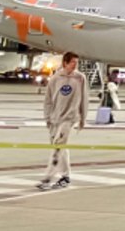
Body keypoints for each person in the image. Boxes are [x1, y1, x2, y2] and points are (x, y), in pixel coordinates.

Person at [37, 52, 88, 191]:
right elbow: (48, 100)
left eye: (76, 62)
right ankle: (65, 176)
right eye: (72, 62)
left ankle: (48, 177)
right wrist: (47, 117)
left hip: (69, 118)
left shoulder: (80, 78)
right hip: (55, 118)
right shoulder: (56, 78)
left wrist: (83, 118)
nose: (75, 65)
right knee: (60, 147)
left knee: (58, 146)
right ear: (65, 63)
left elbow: (84, 98)